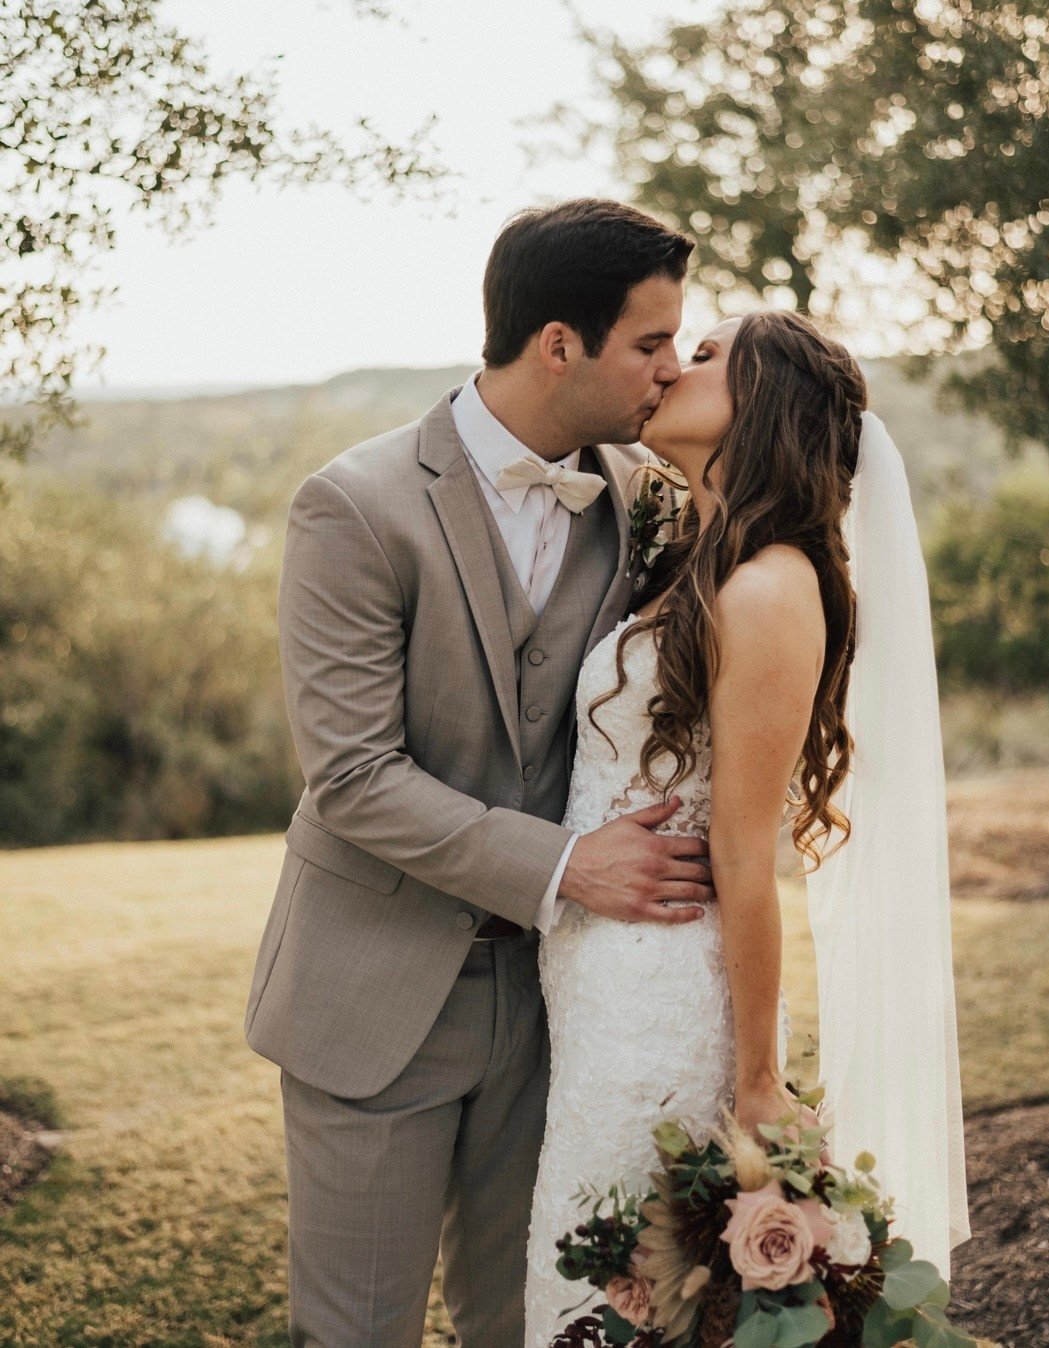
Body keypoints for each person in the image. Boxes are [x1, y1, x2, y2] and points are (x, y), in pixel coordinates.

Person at [244, 198, 719, 1348]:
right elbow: (353, 775)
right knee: (358, 1329)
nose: (668, 370)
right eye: (649, 344)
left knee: (529, 1322)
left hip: (560, 1006)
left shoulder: (640, 498)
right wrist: (568, 864)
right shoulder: (354, 506)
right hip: (377, 992)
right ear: (560, 344)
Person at [523, 310, 970, 1345]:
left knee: (615, 1296)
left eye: (711, 353)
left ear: (764, 403)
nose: (677, 364)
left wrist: (759, 1077)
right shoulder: (695, 556)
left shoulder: (771, 587)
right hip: (594, 975)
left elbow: (745, 855)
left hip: (660, 994)